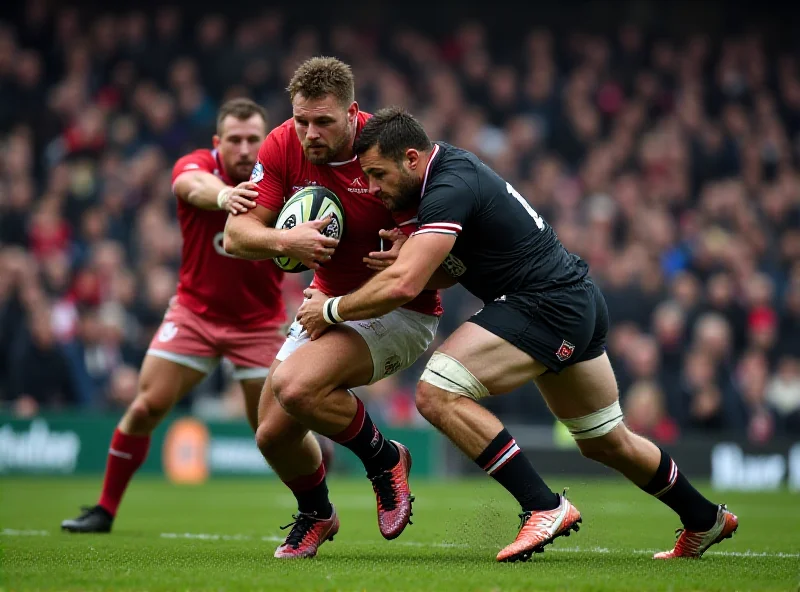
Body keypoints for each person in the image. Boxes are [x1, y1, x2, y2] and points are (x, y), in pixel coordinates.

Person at [296, 107, 739, 562]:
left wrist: (332, 309)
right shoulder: (442, 178)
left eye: (377, 174)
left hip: (545, 303)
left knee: (436, 391)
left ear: (411, 159)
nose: (372, 187)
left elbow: (405, 286)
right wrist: (417, 260)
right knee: (606, 440)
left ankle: (543, 506)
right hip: (574, 298)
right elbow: (445, 274)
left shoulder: (448, 186)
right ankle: (704, 518)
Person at [223, 58, 443, 559]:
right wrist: (286, 239)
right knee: (273, 435)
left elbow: (439, 251)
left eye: (323, 122)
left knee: (296, 386)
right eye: (302, 120)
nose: (310, 133)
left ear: (353, 113)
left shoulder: (386, 148)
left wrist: (408, 251)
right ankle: (318, 514)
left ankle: (385, 460)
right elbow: (237, 235)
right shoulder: (281, 143)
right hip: (326, 303)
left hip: (402, 308)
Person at [62, 98, 288, 533]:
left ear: (266, 142)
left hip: (259, 323)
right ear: (217, 143)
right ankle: (105, 510)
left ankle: (317, 483)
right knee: (147, 406)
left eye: (253, 140)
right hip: (194, 315)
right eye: (235, 140)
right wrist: (226, 196)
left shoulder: (282, 180)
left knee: (273, 431)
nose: (244, 149)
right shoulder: (197, 167)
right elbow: (190, 187)